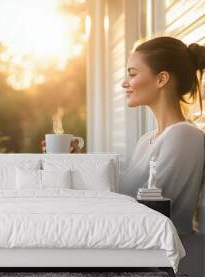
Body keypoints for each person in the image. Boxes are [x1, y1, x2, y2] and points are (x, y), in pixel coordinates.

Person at [42, 37, 205, 234]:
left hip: (164, 258)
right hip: (132, 252)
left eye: (133, 74)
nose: (124, 83)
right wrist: (78, 163)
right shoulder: (146, 141)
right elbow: (120, 195)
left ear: (161, 79)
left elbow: (144, 212)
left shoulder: (184, 136)